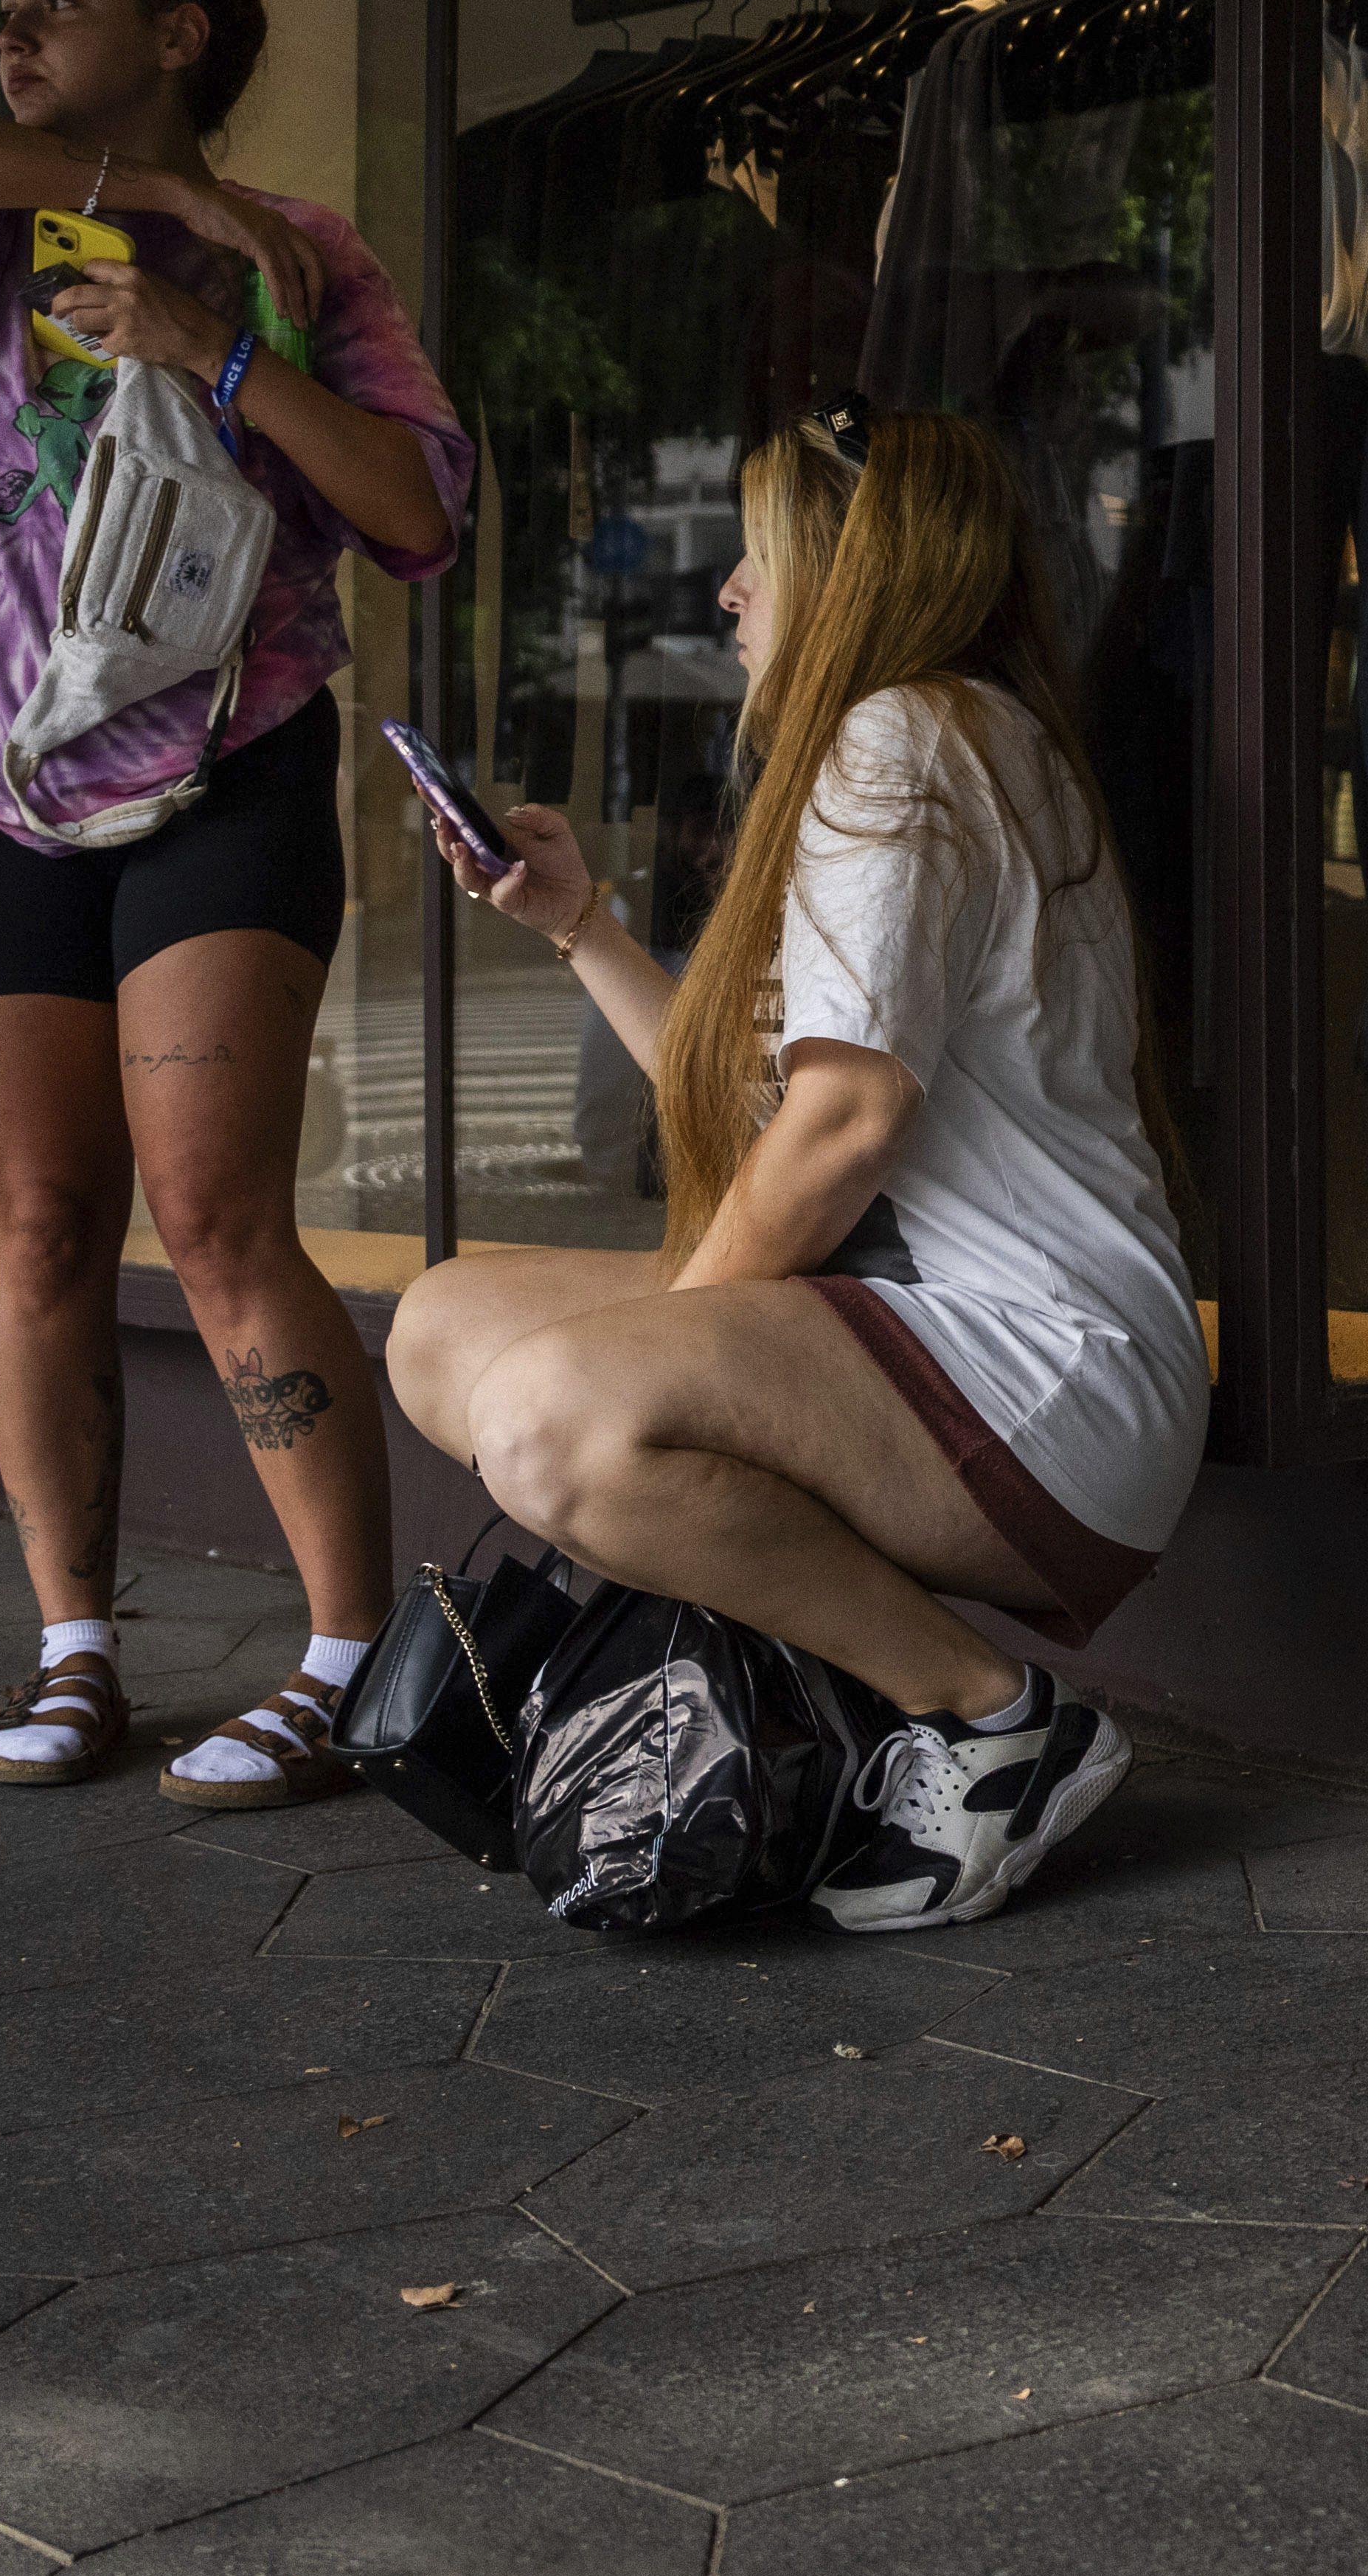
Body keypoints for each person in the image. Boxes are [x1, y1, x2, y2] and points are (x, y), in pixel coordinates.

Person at [383, 403, 1195, 1933]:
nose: (729, 593)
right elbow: (768, 1105)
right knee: (442, 1324)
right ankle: (826, 1690)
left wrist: (653, 1349)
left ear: (850, 564)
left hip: (1042, 1369)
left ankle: (992, 1717)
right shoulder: (934, 732)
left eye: (757, 558)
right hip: (937, 1336)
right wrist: (578, 925)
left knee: (558, 1415)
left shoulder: (904, 736)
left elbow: (841, 1130)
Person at [0, 0, 473, 1804]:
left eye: (62, 0)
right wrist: (156, 190)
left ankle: (349, 1656)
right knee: (36, 1219)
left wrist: (211, 329)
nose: (15, 33)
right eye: (8, 2)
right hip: (5, 766)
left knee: (211, 1217)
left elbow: (416, 512)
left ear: (177, 30)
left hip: (227, 754)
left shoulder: (309, 264)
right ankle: (75, 1644)